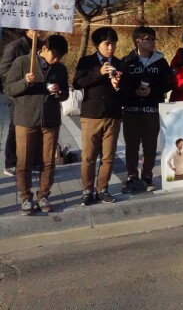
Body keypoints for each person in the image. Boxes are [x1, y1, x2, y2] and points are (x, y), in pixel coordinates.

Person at [4, 35, 69, 215]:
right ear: (45, 48)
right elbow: (8, 89)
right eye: (54, 55)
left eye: (60, 57)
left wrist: (59, 92)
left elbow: (65, 94)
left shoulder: (60, 68)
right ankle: (25, 197)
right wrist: (25, 82)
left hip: (50, 120)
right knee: (23, 161)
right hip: (26, 119)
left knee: (48, 161)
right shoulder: (23, 62)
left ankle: (43, 195)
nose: (56, 60)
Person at [73, 27, 124, 205]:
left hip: (113, 115)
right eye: (107, 44)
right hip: (91, 115)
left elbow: (126, 91)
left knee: (108, 156)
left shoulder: (120, 63)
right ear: (97, 45)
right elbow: (77, 82)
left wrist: (118, 85)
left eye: (113, 44)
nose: (111, 47)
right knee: (88, 156)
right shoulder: (86, 62)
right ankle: (87, 190)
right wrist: (98, 73)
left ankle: (102, 189)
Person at [119, 26, 172, 194]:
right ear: (138, 41)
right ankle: (132, 176)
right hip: (131, 110)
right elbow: (121, 84)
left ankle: (147, 174)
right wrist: (134, 91)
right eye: (148, 39)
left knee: (150, 145)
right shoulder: (127, 61)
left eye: (154, 39)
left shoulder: (160, 61)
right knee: (132, 145)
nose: (152, 42)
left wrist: (154, 90)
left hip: (152, 109)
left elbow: (169, 82)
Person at [0, 29, 46, 177]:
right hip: (19, 94)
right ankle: (11, 162)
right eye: (35, 28)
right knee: (16, 127)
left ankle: (34, 162)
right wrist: (21, 79)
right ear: (27, 29)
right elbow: (3, 70)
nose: (38, 31)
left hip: (38, 94)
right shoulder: (15, 46)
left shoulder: (43, 45)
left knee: (38, 128)